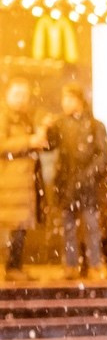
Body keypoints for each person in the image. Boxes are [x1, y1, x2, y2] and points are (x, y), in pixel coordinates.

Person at [47, 83, 107, 278]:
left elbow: (104, 155)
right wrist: (47, 130)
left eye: (69, 99)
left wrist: (87, 175)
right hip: (67, 184)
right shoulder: (60, 124)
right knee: (70, 227)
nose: (65, 103)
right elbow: (49, 145)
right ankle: (72, 266)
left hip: (88, 186)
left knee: (91, 226)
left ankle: (95, 264)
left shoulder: (95, 126)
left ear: (79, 101)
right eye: (64, 99)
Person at [0, 77, 45, 276]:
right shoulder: (4, 116)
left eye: (25, 95)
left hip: (22, 184)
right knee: (13, 226)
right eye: (17, 94)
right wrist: (29, 141)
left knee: (19, 227)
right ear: (7, 95)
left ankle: (15, 266)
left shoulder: (26, 118)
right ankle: (12, 267)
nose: (21, 99)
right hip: (8, 183)